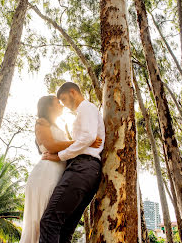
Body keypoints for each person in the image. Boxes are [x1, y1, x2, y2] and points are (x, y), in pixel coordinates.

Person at [20, 95, 101, 243]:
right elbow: (51, 145)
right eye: (58, 103)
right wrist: (84, 142)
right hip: (46, 173)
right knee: (42, 219)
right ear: (48, 106)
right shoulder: (41, 122)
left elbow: (66, 150)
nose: (62, 105)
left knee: (54, 219)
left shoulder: (58, 126)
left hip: (59, 172)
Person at [39, 82, 105, 243]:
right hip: (89, 171)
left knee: (49, 221)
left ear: (73, 92)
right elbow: (86, 139)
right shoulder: (84, 111)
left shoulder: (86, 108)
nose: (63, 104)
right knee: (65, 229)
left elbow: (88, 138)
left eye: (63, 98)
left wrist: (59, 156)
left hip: (82, 168)